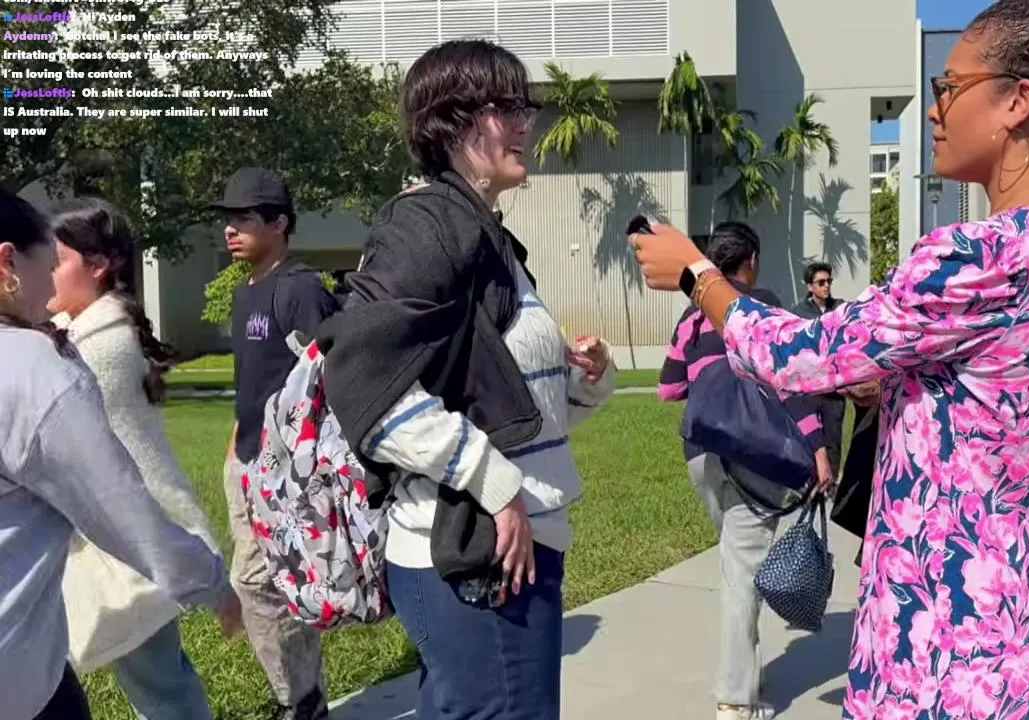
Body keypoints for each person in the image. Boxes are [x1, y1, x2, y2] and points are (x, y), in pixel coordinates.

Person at [631, 1, 1029, 715]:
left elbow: (800, 354)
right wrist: (899, 387)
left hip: (951, 655)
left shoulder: (981, 253)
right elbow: (1001, 389)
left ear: (1017, 101)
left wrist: (699, 276)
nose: (936, 109)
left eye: (951, 87)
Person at [316, 39, 616, 720]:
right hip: (474, 551)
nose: (524, 124)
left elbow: (510, 407)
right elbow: (363, 383)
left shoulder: (487, 238)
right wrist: (495, 482)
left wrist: (587, 380)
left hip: (509, 545)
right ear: (453, 122)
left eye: (524, 107)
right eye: (506, 107)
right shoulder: (427, 224)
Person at [0, 189, 232, 720]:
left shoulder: (86, 344)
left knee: (160, 686)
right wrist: (209, 579)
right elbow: (114, 498)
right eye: (48, 264)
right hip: (29, 643)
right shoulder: (38, 362)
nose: (50, 284)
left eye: (59, 265)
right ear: (8, 263)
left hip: (117, 565)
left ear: (100, 266)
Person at [659, 222, 830, 720]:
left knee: (739, 567)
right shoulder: (763, 307)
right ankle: (735, 699)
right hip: (753, 454)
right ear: (750, 260)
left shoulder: (690, 318)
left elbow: (668, 388)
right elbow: (791, 382)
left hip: (702, 452)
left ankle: (746, 673)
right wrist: (819, 449)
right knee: (743, 574)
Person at [216, 167, 339, 719]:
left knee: (254, 583)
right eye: (228, 219)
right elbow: (253, 379)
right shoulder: (246, 292)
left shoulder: (300, 289)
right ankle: (307, 696)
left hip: (285, 470)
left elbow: (331, 375)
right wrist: (234, 445)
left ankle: (298, 699)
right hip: (243, 459)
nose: (231, 229)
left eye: (244, 218)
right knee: (277, 583)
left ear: (280, 223)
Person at [790, 261, 847, 476]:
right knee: (810, 441)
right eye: (821, 282)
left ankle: (832, 488)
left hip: (834, 389)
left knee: (833, 442)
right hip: (809, 390)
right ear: (810, 286)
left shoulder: (840, 308)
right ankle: (810, 484)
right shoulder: (798, 313)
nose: (826, 286)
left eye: (829, 281)